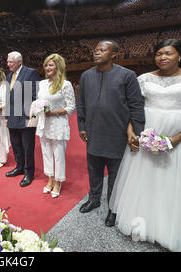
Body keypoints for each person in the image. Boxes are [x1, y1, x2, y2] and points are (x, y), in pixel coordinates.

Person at [110, 39, 181, 252]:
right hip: (147, 133)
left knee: (177, 182)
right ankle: (148, 224)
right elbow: (134, 109)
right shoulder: (143, 79)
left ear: (180, 56)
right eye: (159, 54)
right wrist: (130, 131)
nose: (162, 58)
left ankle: (172, 229)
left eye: (168, 53)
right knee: (147, 180)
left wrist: (174, 139)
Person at [77, 40, 145, 227]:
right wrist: (81, 126)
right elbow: (81, 102)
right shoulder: (86, 75)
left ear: (114, 54)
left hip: (117, 133)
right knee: (94, 170)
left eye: (102, 50)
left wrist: (136, 132)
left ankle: (114, 208)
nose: (96, 52)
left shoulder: (127, 75)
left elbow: (136, 105)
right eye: (96, 49)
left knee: (116, 174)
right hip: (93, 132)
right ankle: (94, 198)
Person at [36, 54, 75, 198]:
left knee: (58, 154)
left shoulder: (66, 84)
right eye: (46, 65)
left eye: (51, 65)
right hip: (43, 123)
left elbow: (71, 107)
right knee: (46, 152)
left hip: (58, 123)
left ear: (58, 66)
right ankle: (50, 178)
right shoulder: (42, 83)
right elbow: (39, 101)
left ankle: (58, 181)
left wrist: (54, 113)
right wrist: (37, 108)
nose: (47, 68)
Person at [5, 51, 41, 187]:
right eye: (8, 62)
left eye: (10, 62)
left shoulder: (31, 73)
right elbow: (7, 97)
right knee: (16, 146)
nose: (8, 64)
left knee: (28, 147)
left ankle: (29, 172)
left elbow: (34, 95)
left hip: (25, 116)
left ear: (19, 61)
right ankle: (19, 167)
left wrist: (31, 114)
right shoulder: (9, 76)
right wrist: (6, 116)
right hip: (12, 117)